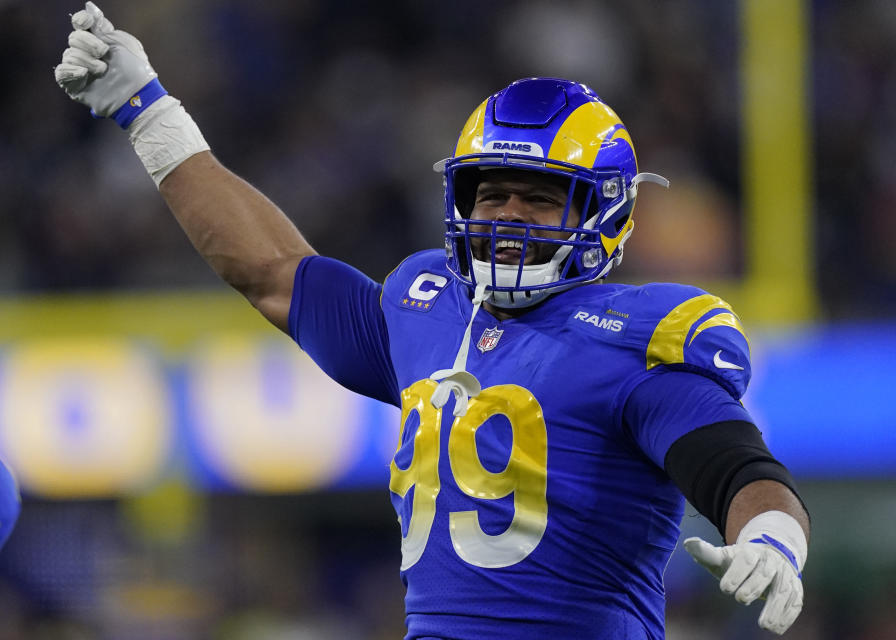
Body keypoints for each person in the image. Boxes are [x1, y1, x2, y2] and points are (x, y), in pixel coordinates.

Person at [55, 3, 810, 638]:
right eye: (492, 193)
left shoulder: (633, 341)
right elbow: (271, 271)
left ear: (602, 212)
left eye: (540, 196)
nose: (509, 216)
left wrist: (771, 537)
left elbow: (738, 466)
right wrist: (148, 109)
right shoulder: (428, 307)